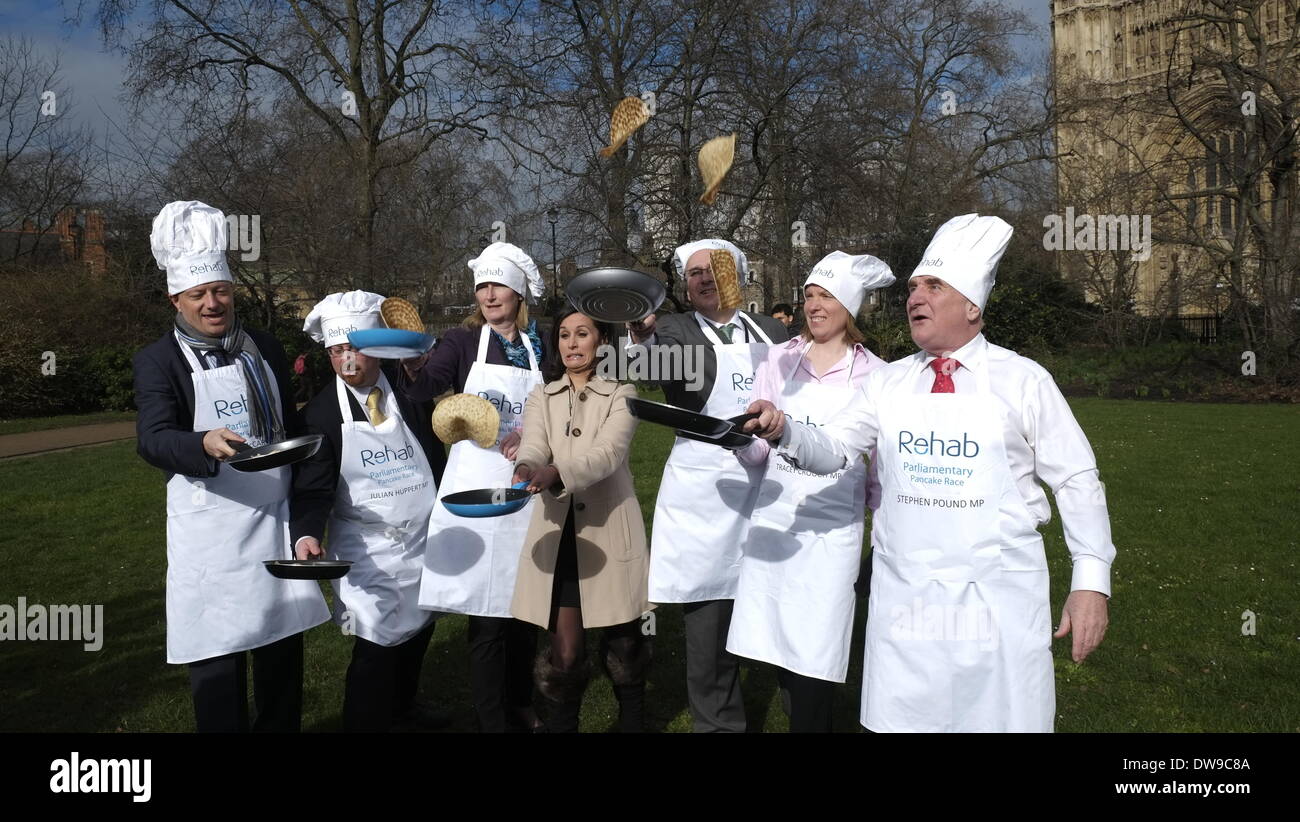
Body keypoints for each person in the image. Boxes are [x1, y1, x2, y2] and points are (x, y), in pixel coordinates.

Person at [744, 214, 1115, 732]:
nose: (915, 296)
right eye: (914, 286)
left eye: (933, 286)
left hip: (997, 607)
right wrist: (785, 429)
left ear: (972, 306)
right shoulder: (888, 384)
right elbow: (833, 450)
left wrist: (1091, 582)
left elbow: (1077, 479)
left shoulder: (1024, 381)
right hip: (906, 608)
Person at [133, 200, 329, 732]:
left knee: (281, 657)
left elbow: (289, 431)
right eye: (198, 294)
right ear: (177, 298)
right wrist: (202, 443)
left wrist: (307, 524)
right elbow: (151, 440)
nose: (212, 303)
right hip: (210, 535)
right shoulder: (159, 361)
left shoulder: (261, 346)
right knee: (218, 663)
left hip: (273, 526)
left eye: (219, 290)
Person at [625, 238, 788, 733]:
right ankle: (719, 724)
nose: (702, 278)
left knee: (785, 605)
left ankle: (800, 704)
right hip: (706, 494)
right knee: (710, 619)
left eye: (712, 268)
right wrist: (641, 335)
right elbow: (643, 370)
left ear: (736, 273)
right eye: (692, 272)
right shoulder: (673, 331)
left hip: (772, 485)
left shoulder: (774, 329)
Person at [728, 251, 894, 732]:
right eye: (809, 296)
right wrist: (740, 440)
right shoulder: (778, 360)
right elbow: (759, 455)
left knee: (818, 658)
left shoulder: (878, 375)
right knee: (778, 644)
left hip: (832, 532)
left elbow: (879, 473)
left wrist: (881, 537)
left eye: (826, 296)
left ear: (850, 307)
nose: (814, 306)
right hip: (776, 520)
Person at [398, 241, 547, 732]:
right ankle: (492, 720)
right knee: (485, 615)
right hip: (475, 492)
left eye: (497, 285)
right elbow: (424, 387)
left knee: (525, 609)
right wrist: (413, 363)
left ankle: (520, 703)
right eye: (481, 286)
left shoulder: (538, 343)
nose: (487, 295)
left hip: (528, 489)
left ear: (518, 291)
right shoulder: (461, 344)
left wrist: (534, 433)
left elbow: (557, 404)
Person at [290, 290, 449, 732]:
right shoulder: (321, 414)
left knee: (419, 630)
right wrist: (306, 533)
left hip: (422, 541)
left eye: (356, 349)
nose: (348, 361)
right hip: (366, 551)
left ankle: (404, 708)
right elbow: (313, 488)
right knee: (375, 645)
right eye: (337, 351)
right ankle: (364, 721)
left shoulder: (410, 392)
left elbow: (436, 453)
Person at [509, 309, 653, 732]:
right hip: (559, 539)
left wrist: (557, 473)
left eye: (582, 334)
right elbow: (534, 445)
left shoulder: (624, 392)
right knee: (566, 655)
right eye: (565, 335)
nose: (572, 343)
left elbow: (608, 455)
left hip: (610, 533)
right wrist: (526, 467)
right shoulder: (542, 395)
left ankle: (633, 720)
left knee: (626, 646)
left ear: (601, 341)